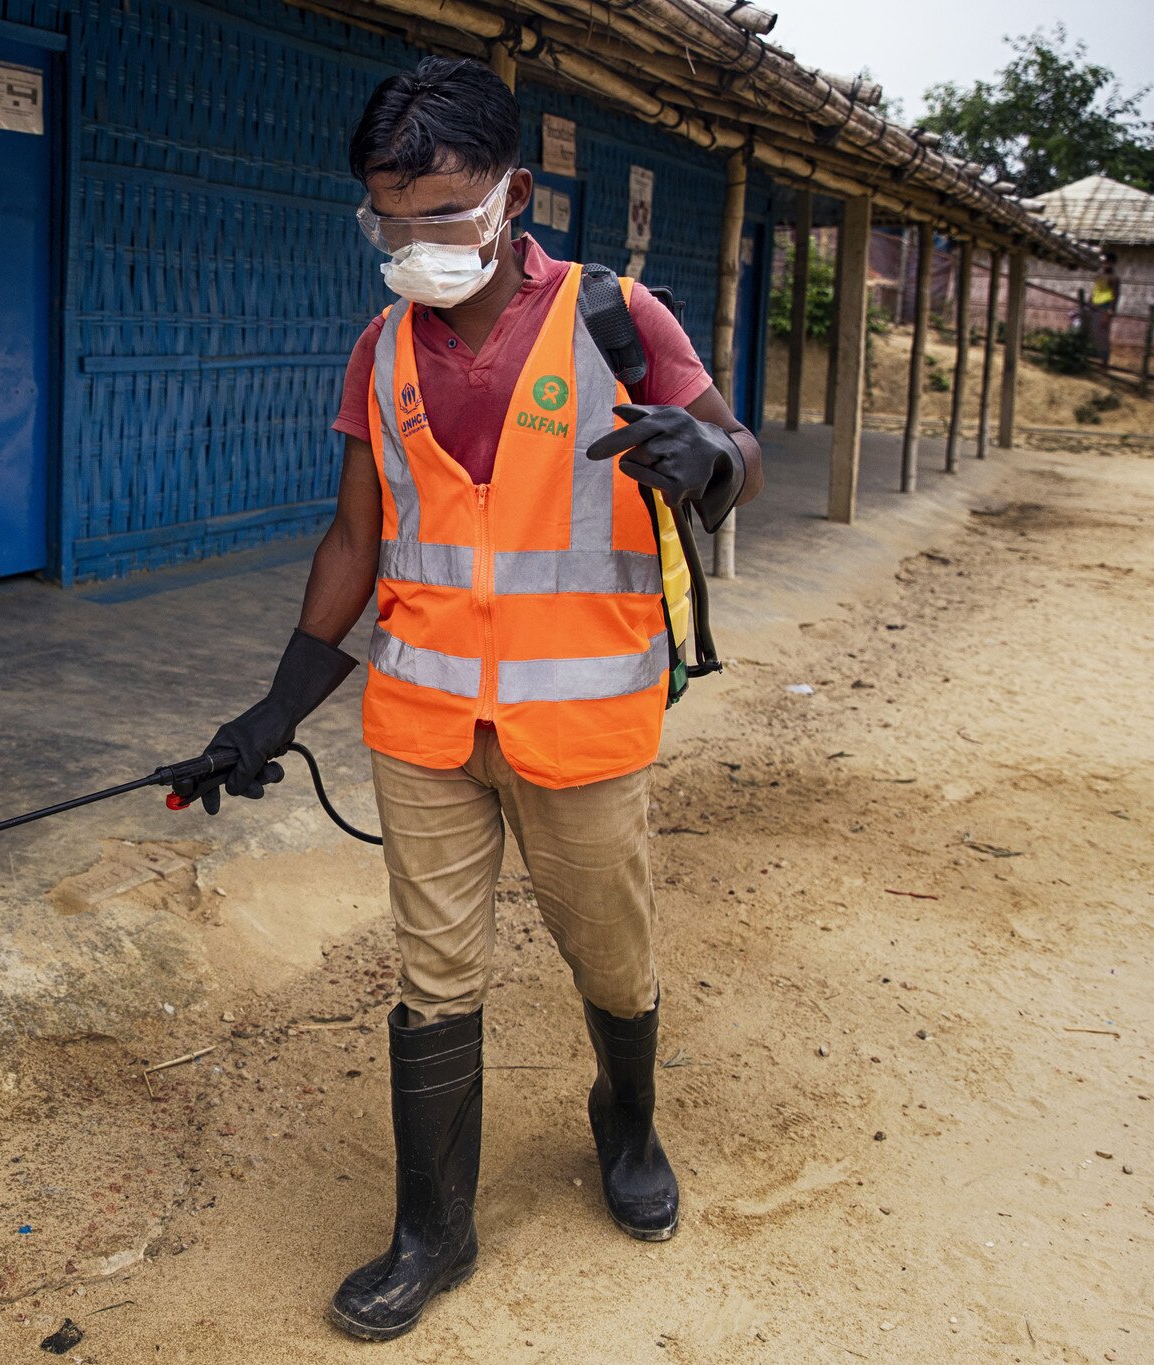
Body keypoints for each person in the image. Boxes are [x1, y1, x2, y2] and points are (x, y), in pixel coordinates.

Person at [178, 56, 763, 1341]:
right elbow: (355, 537)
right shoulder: (380, 348)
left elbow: (740, 458)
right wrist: (273, 709)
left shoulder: (616, 319)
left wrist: (707, 454)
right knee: (431, 972)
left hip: (583, 722)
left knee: (607, 950)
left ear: (513, 194)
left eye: (441, 213)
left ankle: (625, 1123)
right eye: (387, 220)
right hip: (425, 725)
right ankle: (431, 1231)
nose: (414, 245)